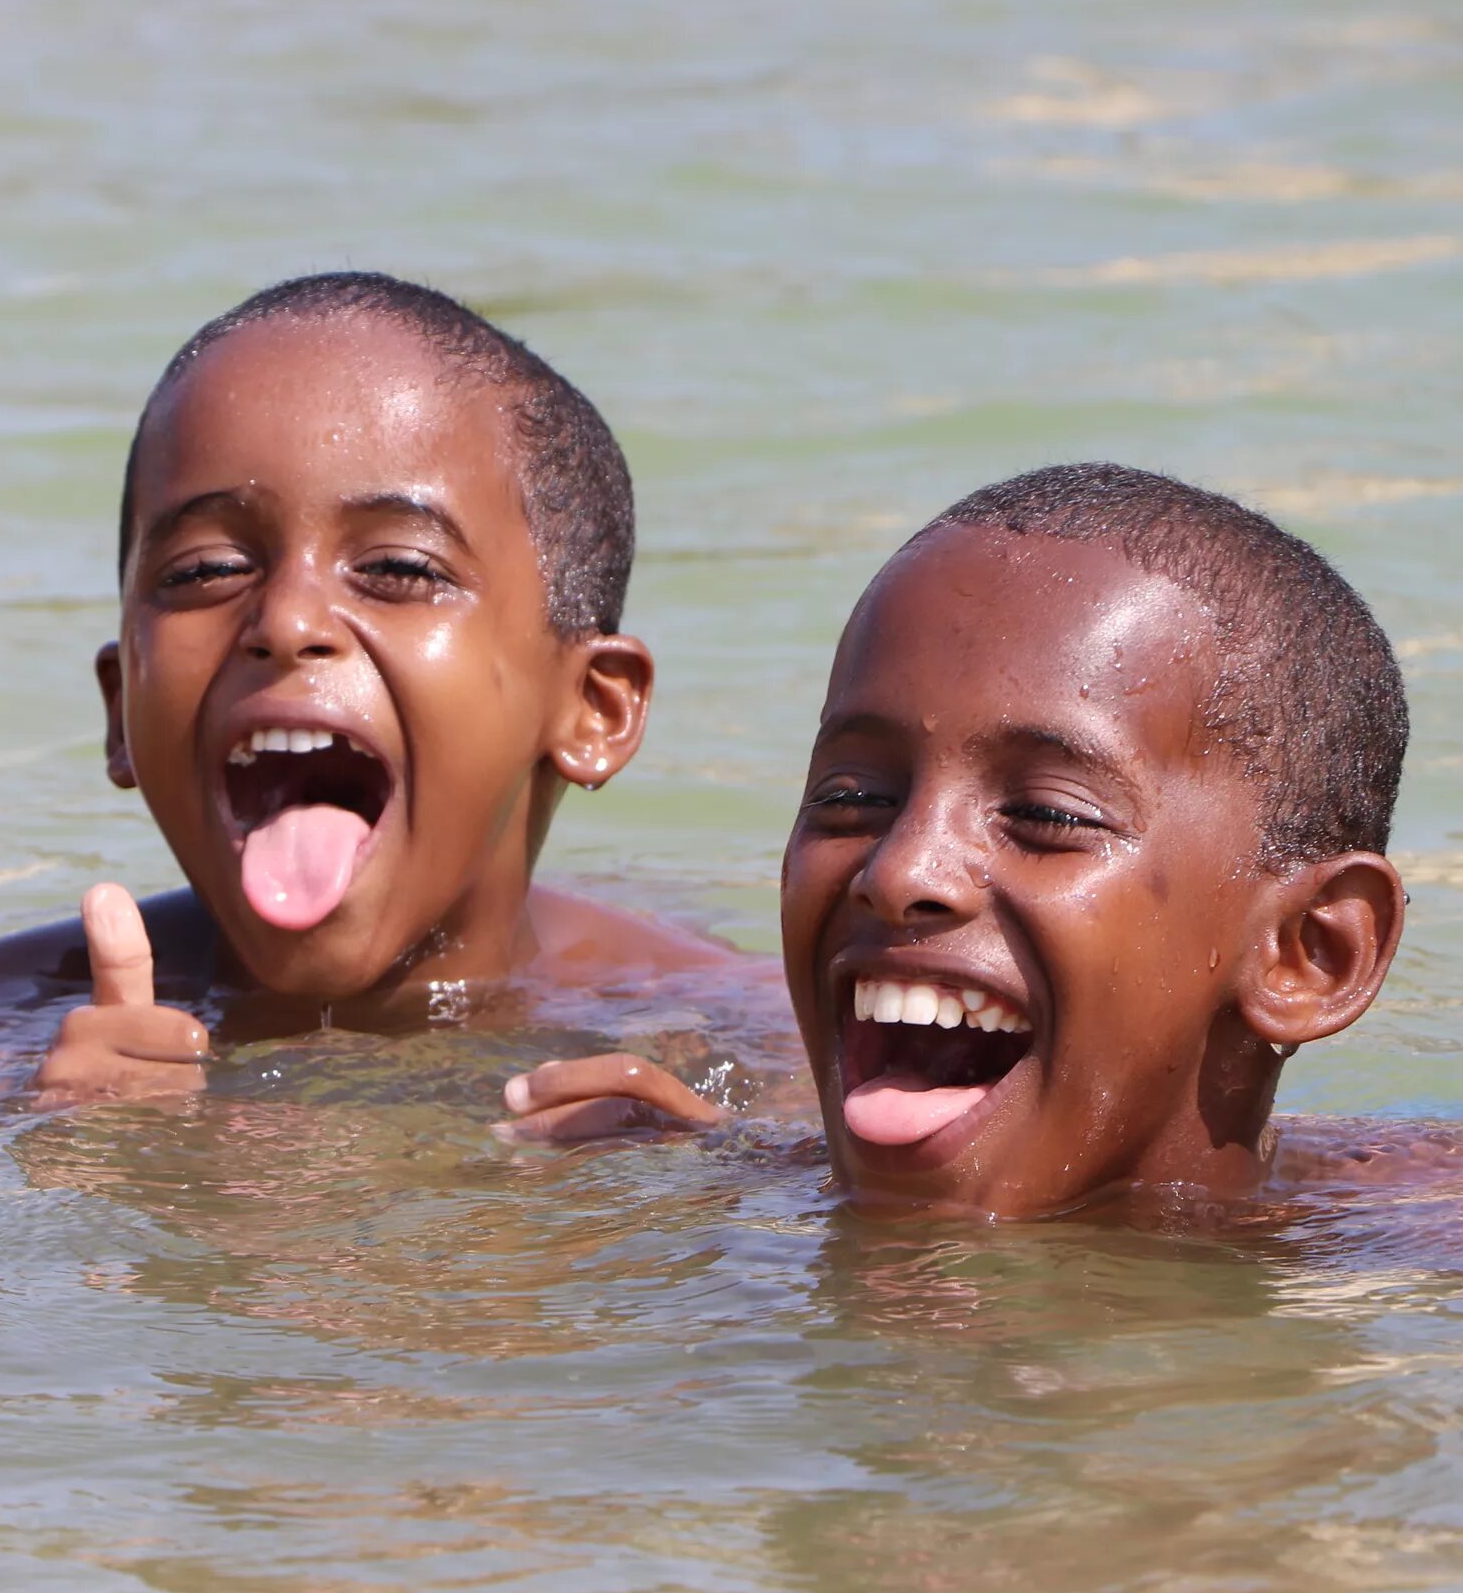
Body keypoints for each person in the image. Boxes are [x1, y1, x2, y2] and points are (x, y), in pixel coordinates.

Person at [502, 462, 1410, 1220]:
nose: (900, 870)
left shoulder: (1462, 1270)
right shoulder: (712, 1217)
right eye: (852, 797)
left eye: (1048, 816)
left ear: (1310, 955)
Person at [0, 273, 734, 1098]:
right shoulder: (2, 1020)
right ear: (120, 712)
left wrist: (647, 1205)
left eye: (396, 567)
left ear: (592, 707)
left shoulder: (723, 1041)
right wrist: (67, 1154)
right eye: (207, 570)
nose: (284, 621)